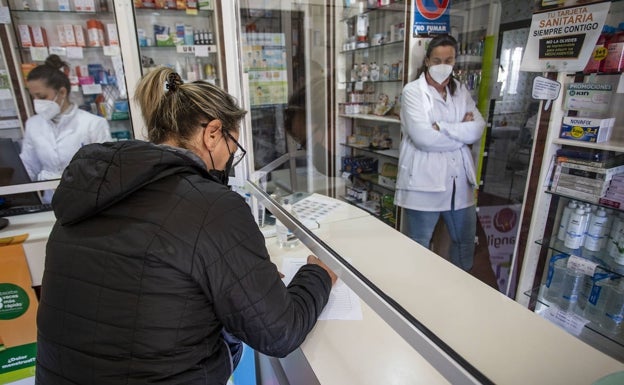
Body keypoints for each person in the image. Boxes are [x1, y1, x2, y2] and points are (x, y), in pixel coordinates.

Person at [35, 67, 337, 385]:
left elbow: (147, 289)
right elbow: (279, 334)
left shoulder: (89, 193)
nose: (226, 163)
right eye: (231, 149)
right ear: (212, 133)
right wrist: (317, 276)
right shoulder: (211, 205)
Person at [395, 34, 485, 271]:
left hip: (459, 183)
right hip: (424, 184)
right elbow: (424, 139)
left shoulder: (460, 91)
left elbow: (478, 128)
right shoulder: (413, 92)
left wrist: (443, 127)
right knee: (418, 246)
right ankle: (415, 298)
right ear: (427, 61)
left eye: (449, 60)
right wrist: (460, 134)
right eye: (437, 60)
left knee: (465, 243)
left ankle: (458, 292)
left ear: (455, 61)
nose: (443, 66)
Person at [20, 54, 111, 184]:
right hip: (50, 197)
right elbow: (28, 166)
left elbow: (105, 170)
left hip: (85, 196)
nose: (37, 102)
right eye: (33, 97)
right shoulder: (33, 124)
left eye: (42, 97)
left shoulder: (93, 124)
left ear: (62, 92)